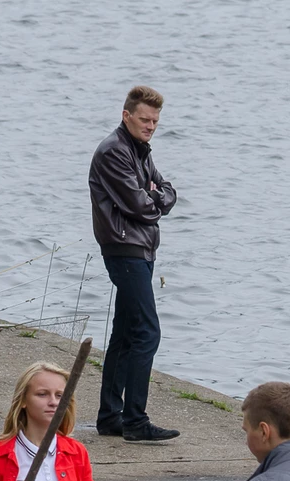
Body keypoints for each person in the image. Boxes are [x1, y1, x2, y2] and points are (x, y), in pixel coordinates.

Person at [90, 84, 179, 442]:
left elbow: (168, 191)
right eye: (144, 120)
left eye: (155, 121)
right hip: (124, 249)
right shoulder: (114, 151)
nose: (150, 126)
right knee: (147, 332)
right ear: (126, 116)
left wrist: (156, 196)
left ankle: (110, 416)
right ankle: (135, 420)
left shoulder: (139, 150)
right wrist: (154, 198)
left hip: (139, 249)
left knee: (126, 332)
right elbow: (141, 205)